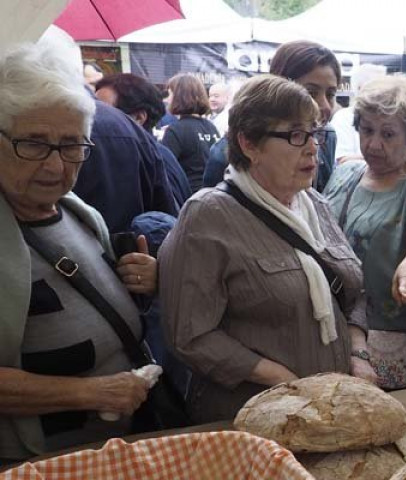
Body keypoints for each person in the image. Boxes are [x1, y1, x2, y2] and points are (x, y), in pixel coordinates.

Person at [159, 75, 375, 423]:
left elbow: (352, 292)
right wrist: (279, 379)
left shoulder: (316, 205)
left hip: (327, 412)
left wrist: (359, 354)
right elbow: (190, 334)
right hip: (250, 420)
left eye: (313, 133)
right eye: (294, 135)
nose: (311, 147)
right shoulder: (208, 214)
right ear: (249, 144)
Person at [0, 38, 157, 462]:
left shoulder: (80, 213)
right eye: (32, 143)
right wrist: (89, 393)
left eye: (72, 146)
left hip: (114, 450)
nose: (55, 166)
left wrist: (139, 282)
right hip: (38, 462)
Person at [323, 75, 406, 390]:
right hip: (330, 332)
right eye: (367, 130)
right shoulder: (344, 173)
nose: (374, 144)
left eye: (388, 134)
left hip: (384, 346)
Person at [202, 40, 340, 192]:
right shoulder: (225, 153)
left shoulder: (327, 137)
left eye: (331, 94)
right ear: (278, 87)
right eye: (311, 93)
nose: (325, 105)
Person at [94, 73, 191, 208]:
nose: (94, 118)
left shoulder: (156, 160)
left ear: (139, 118)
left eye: (107, 112)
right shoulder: (111, 158)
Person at [161, 74, 221, 193]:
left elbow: (163, 170)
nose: (167, 100)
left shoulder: (175, 130)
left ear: (179, 97)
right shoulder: (211, 127)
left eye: (170, 94)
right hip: (213, 195)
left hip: (187, 197)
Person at [331, 63, 387, 164]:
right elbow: (344, 161)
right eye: (379, 88)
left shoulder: (389, 117)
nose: (387, 93)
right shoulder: (344, 117)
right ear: (360, 88)